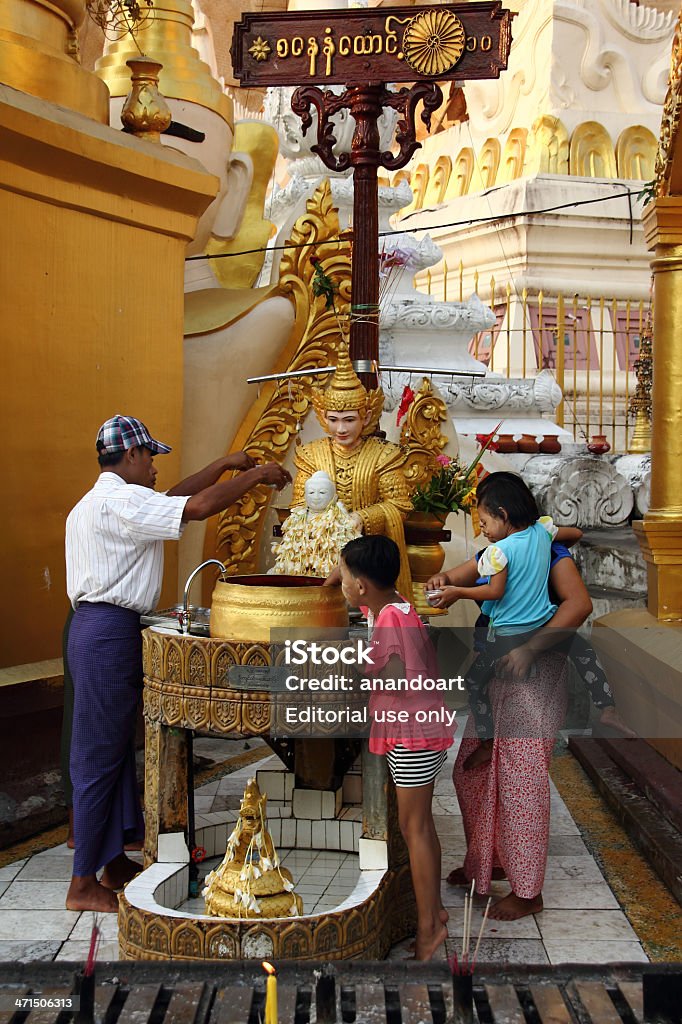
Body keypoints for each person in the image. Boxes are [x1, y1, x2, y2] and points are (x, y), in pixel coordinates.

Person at [65, 414, 291, 913]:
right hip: (104, 632)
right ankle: (82, 884)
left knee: (118, 751)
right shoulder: (120, 500)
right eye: (150, 458)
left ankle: (113, 862)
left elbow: (175, 503)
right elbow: (197, 508)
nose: (154, 468)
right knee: (100, 755)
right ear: (131, 456)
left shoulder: (109, 499)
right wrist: (255, 475)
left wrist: (226, 463)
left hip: (106, 630)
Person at [441, 552, 595, 921]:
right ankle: (488, 861)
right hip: (497, 668)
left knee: (520, 780)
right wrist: (443, 582)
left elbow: (580, 604)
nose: (484, 525)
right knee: (469, 772)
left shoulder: (550, 551)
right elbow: (454, 574)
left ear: (507, 513)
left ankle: (528, 892)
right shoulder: (496, 552)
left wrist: (531, 648)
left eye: (487, 516)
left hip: (534, 671)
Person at [339, 535, 453, 960]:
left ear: (362, 585)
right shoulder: (395, 605)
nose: (343, 582)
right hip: (422, 729)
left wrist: (354, 669)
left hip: (411, 736)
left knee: (415, 829)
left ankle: (427, 931)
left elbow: (395, 677)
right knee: (421, 824)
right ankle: (436, 911)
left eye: (346, 577)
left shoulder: (388, 621)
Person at [427, 473, 566, 770]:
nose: (483, 531)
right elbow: (574, 534)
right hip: (539, 626)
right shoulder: (542, 534)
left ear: (503, 514)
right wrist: (449, 578)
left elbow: (494, 590)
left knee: (474, 683)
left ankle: (489, 744)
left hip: (506, 635)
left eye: (485, 523)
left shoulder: (500, 551)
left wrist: (456, 592)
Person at [292, 346, 413, 599]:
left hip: (367, 561)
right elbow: (299, 506)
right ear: (324, 416)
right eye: (333, 419)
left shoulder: (384, 455)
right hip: (319, 554)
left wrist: (362, 517)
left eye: (349, 419)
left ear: (366, 416)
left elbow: (399, 506)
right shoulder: (310, 455)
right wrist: (323, 524)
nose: (341, 428)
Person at [270, 470, 360, 577]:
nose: (316, 497)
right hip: (298, 565)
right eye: (311, 492)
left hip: (328, 566)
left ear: (334, 497)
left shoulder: (340, 518)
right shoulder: (298, 517)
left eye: (322, 492)